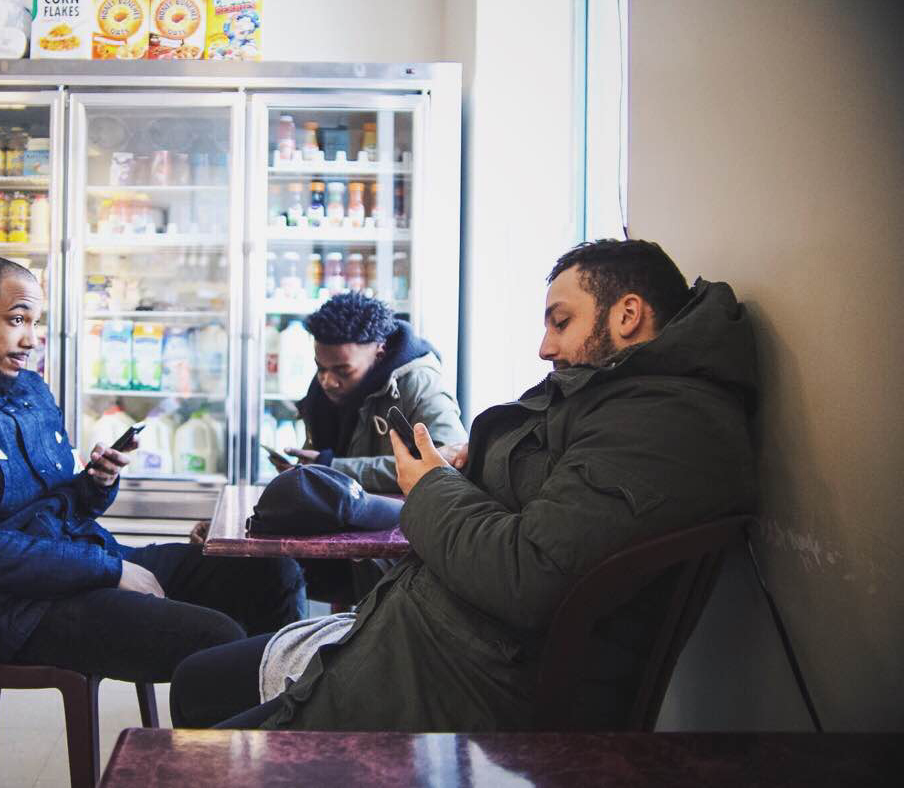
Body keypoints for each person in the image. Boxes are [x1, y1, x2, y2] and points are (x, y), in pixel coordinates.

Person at [169, 239, 758, 730]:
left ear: (627, 315)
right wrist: (470, 467)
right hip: (430, 635)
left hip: (459, 674)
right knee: (196, 680)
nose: (545, 346)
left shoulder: (662, 424)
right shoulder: (617, 401)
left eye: (561, 321)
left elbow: (528, 573)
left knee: (192, 743)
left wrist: (432, 483)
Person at [0, 256, 304, 683]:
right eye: (17, 320)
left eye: (35, 323)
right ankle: (249, 722)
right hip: (18, 611)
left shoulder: (27, 388)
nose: (31, 340)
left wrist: (98, 482)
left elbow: (65, 507)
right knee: (219, 639)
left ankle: (286, 715)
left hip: (86, 562)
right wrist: (111, 571)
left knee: (271, 571)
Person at [284, 292, 466, 492]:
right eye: (320, 368)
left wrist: (330, 468)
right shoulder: (324, 384)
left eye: (343, 371)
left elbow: (446, 463)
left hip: (402, 512)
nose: (327, 381)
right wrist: (303, 470)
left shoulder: (421, 383)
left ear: (380, 353)